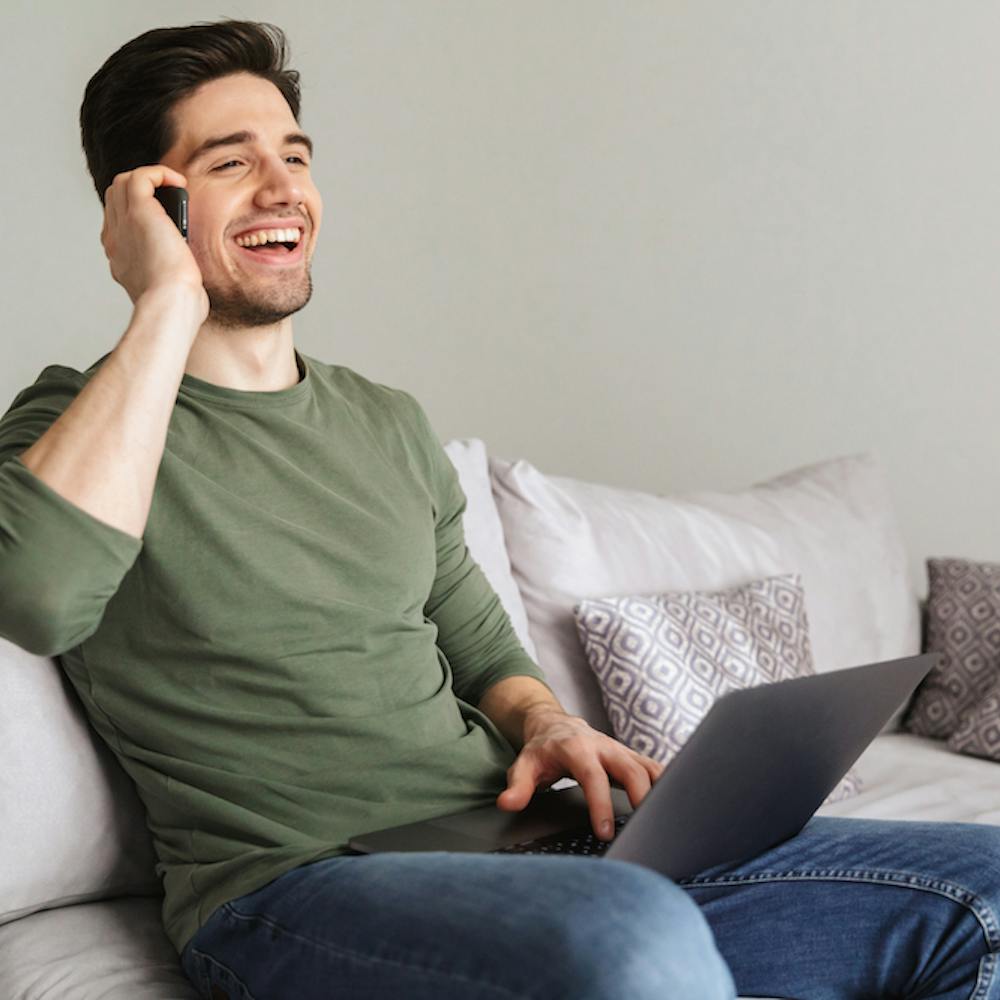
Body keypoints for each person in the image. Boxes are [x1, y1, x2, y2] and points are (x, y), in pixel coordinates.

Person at [1, 18, 998, 1000]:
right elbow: (38, 596)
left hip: (518, 841)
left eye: (294, 155)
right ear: (145, 205)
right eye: (231, 162)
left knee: (981, 885)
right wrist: (163, 304)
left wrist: (548, 723)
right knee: (630, 933)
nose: (283, 187)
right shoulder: (78, 424)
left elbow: (479, 645)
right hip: (299, 885)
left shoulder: (383, 422)